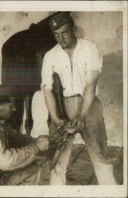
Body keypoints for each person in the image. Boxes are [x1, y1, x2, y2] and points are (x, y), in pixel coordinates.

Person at [41, 12, 117, 185]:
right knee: (58, 158)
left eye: (65, 33)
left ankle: (111, 191)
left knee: (100, 155)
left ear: (73, 29)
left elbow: (90, 86)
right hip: (62, 106)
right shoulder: (50, 56)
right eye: (56, 35)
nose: (61, 38)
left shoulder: (90, 49)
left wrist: (81, 115)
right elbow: (47, 90)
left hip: (89, 106)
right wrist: (56, 118)